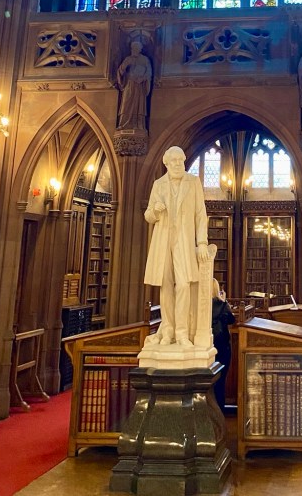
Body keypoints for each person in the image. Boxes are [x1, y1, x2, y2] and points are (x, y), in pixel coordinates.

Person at [143, 146, 210, 347]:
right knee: (165, 285)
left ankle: (182, 333)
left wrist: (202, 242)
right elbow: (148, 215)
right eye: (174, 161)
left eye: (181, 160)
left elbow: (200, 214)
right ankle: (168, 331)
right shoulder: (158, 184)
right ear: (167, 164)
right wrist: (155, 211)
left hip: (184, 240)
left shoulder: (193, 182)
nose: (179, 164)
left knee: (183, 285)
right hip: (163, 240)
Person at [116, 40, 152, 131]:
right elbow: (120, 71)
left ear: (140, 49)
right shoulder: (128, 59)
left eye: (137, 48)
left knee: (138, 105)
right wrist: (124, 66)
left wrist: (143, 78)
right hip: (129, 84)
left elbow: (149, 72)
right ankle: (123, 124)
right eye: (134, 48)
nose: (135, 50)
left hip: (139, 85)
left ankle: (138, 125)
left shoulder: (145, 59)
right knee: (126, 103)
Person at [211, 278, 235, 412]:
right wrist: (224, 301)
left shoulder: (201, 306)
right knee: (220, 382)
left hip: (208, 346)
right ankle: (219, 411)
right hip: (222, 347)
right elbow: (231, 319)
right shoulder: (222, 304)